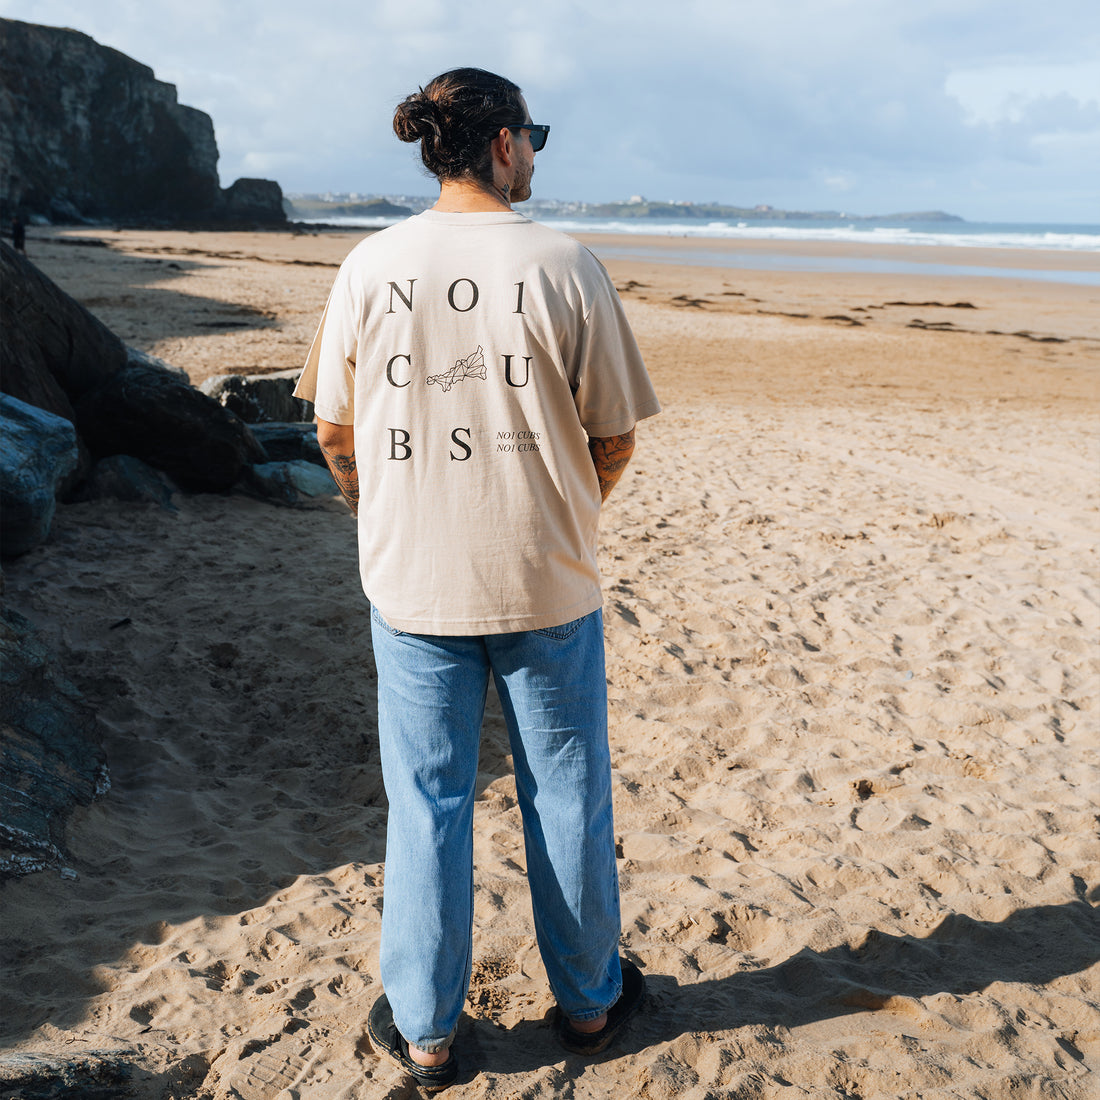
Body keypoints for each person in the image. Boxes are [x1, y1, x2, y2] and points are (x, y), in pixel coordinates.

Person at [294, 67, 659, 1091]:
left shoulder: (368, 264)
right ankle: (589, 1002)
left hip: (413, 581)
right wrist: (569, 506)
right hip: (544, 574)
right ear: (500, 144)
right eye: (532, 134)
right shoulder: (561, 263)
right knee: (567, 791)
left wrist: (384, 510)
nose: (536, 151)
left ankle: (423, 1028)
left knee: (427, 802)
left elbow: (330, 427)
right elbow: (615, 433)